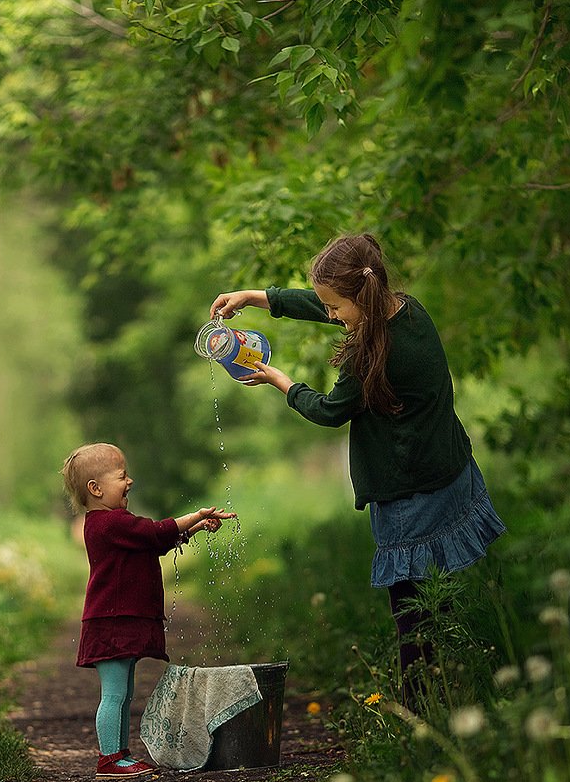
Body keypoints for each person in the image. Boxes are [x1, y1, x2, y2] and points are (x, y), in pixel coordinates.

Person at [210, 233, 505, 707]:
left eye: (335, 308)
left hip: (411, 491)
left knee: (412, 610)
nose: (330, 316)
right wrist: (259, 298)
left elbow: (330, 411)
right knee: (439, 599)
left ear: (360, 298)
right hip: (445, 470)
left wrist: (280, 381)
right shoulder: (407, 310)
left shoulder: (370, 355)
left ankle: (421, 709)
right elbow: (327, 301)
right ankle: (454, 690)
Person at [61, 442, 236, 779]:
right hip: (109, 622)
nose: (130, 482)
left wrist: (193, 528)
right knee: (114, 694)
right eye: (122, 476)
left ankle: (119, 753)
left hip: (116, 620)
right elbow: (153, 532)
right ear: (95, 489)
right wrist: (194, 516)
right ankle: (109, 759)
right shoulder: (107, 523)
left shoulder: (113, 522)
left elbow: (150, 543)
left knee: (124, 693)